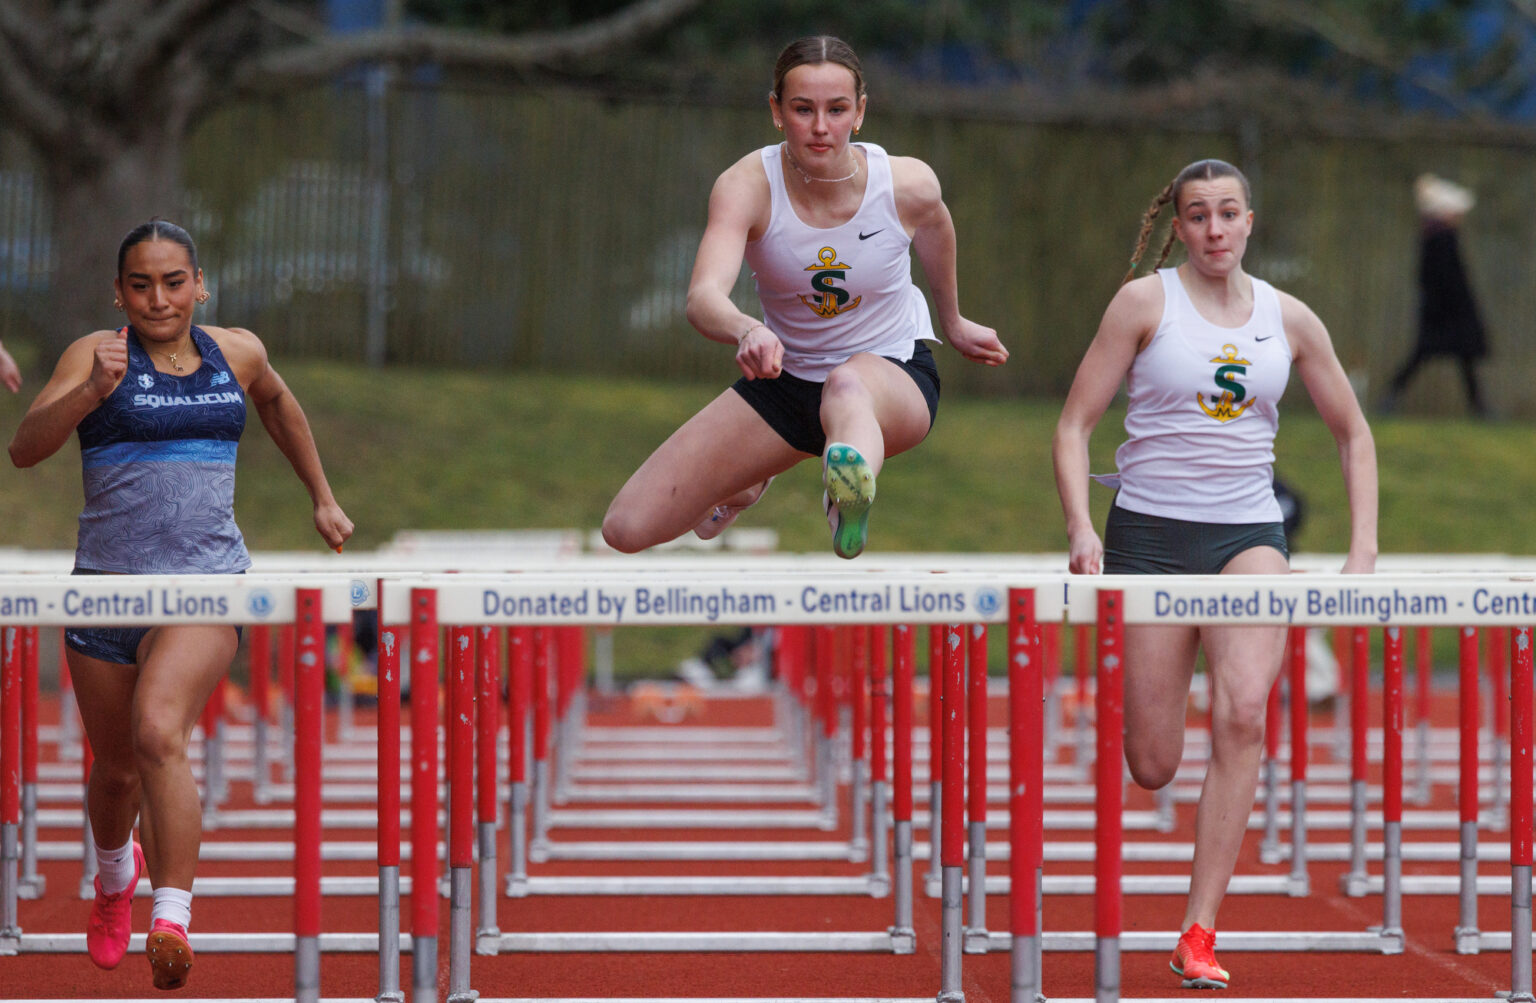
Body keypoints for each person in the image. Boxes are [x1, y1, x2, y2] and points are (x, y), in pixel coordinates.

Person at [1052, 159, 1377, 990]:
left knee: (1241, 710)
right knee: (1153, 762)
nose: (1215, 230)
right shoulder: (1143, 303)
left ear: (1250, 221)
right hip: (1151, 536)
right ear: (1181, 226)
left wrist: (1363, 546)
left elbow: (1353, 432)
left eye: (1228, 214)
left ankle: (1199, 927)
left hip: (1248, 535)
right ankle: (1181, 856)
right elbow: (1074, 424)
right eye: (1198, 216)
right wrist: (1083, 527)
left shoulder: (1290, 317)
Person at [7, 220, 353, 990]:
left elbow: (279, 404)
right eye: (140, 284)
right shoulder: (95, 354)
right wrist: (93, 391)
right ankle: (111, 878)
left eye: (172, 281)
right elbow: (26, 448)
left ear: (200, 285)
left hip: (205, 583)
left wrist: (322, 498)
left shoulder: (238, 350)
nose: (157, 298)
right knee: (116, 771)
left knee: (160, 731)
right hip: (108, 586)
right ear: (119, 291)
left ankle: (171, 917)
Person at [601, 35, 1007, 560]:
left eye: (837, 110)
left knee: (846, 385)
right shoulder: (747, 186)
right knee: (627, 528)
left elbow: (936, 228)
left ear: (860, 112)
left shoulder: (907, 185)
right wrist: (748, 329)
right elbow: (703, 296)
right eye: (802, 109)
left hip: (892, 377)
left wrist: (952, 321)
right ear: (776, 111)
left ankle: (847, 500)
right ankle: (751, 481)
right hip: (788, 382)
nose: (820, 127)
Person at [1379, 173, 1489, 417]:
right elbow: (1444, 279)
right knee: (1428, 355)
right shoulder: (1440, 239)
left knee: (1464, 358)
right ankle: (1390, 397)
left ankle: (1479, 407)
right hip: (1446, 312)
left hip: (1446, 311)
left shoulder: (1437, 237)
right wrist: (1452, 307)